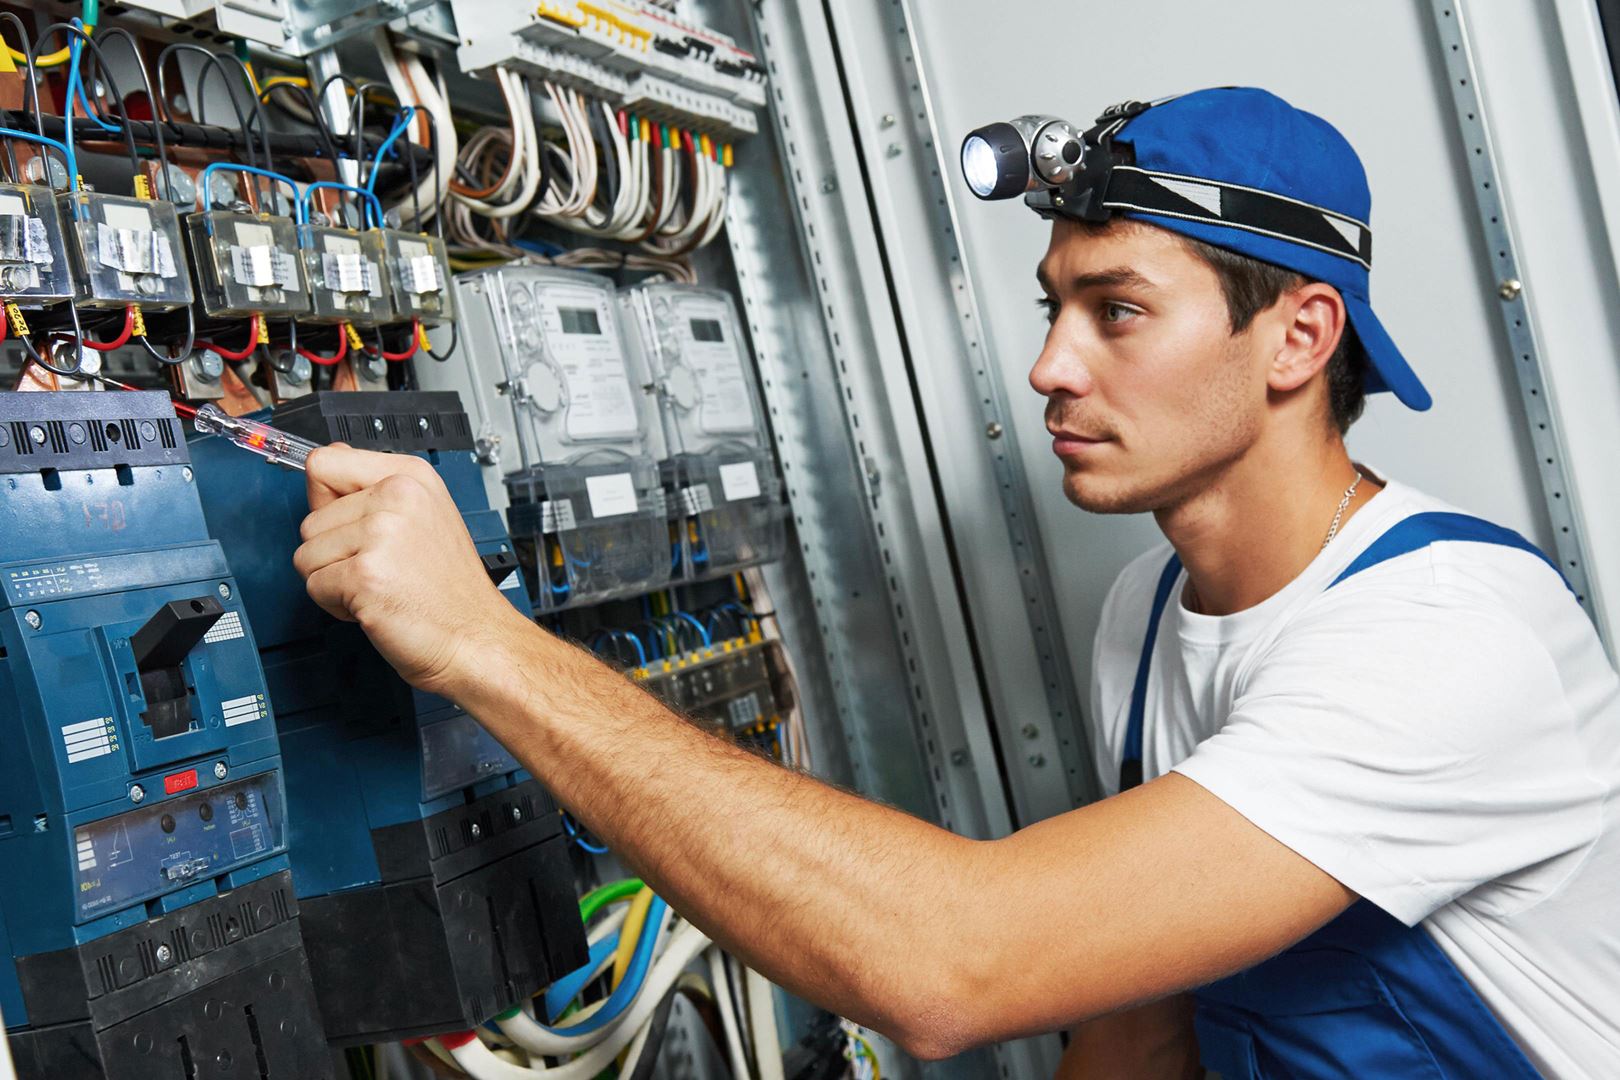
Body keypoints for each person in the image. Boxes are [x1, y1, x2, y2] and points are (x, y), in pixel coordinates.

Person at [292, 88, 1619, 1077]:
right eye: (1053, 308)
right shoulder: (1147, 619)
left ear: (1298, 338)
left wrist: (484, 642)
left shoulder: (1449, 638)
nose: (1050, 366)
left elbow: (952, 963)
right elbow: (1141, 1007)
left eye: (1116, 311)